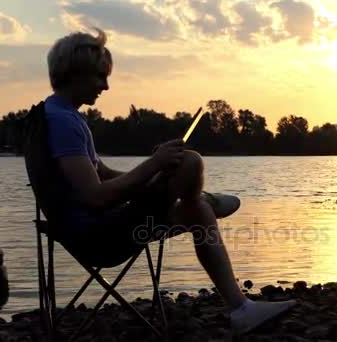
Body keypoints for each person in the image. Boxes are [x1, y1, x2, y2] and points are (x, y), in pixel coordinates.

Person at [43, 27, 295, 334]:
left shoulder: (56, 115)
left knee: (195, 204)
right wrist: (154, 165)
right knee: (190, 162)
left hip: (88, 228)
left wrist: (154, 171)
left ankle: (241, 306)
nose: (106, 86)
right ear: (75, 72)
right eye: (100, 76)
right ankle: (205, 202)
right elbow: (96, 196)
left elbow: (104, 175)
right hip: (100, 237)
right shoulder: (63, 123)